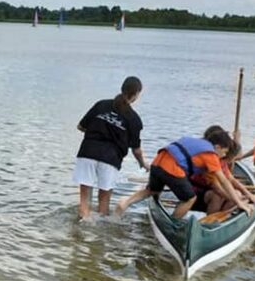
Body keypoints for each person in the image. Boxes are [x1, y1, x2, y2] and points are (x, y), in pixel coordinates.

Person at [116, 128, 253, 220]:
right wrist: (239, 202)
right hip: (172, 169)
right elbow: (223, 180)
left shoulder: (194, 140)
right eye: (224, 151)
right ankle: (173, 224)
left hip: (157, 164)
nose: (223, 155)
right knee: (189, 199)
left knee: (152, 190)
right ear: (217, 147)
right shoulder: (210, 154)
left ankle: (125, 202)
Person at [73, 76, 147, 219]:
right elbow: (136, 149)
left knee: (84, 201)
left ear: (122, 88)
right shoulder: (134, 119)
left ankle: (82, 230)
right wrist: (143, 164)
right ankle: (100, 236)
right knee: (104, 202)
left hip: (88, 152)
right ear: (137, 94)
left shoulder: (101, 105)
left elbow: (81, 126)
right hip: (110, 159)